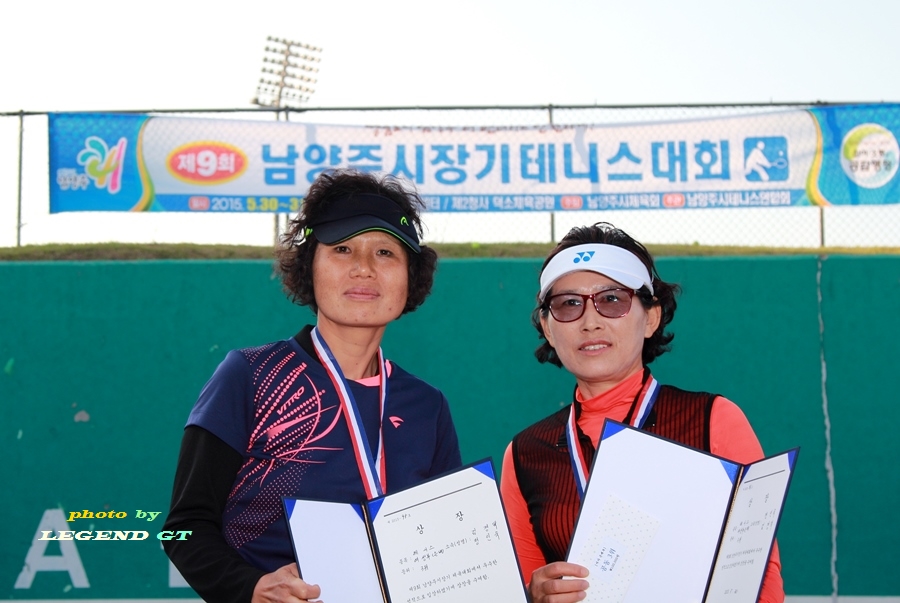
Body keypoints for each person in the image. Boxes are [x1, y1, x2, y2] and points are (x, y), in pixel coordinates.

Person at [163, 169, 462, 603]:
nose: (363, 268)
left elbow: (446, 547)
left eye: (385, 252)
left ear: (409, 277)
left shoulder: (427, 406)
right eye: (342, 249)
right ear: (310, 267)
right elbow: (185, 527)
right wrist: (250, 587)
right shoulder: (251, 375)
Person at [499, 223, 784, 603]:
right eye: (569, 304)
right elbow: (521, 587)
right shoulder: (524, 454)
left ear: (651, 317)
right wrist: (534, 596)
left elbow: (760, 578)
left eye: (612, 299)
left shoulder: (713, 420)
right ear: (548, 329)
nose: (590, 321)